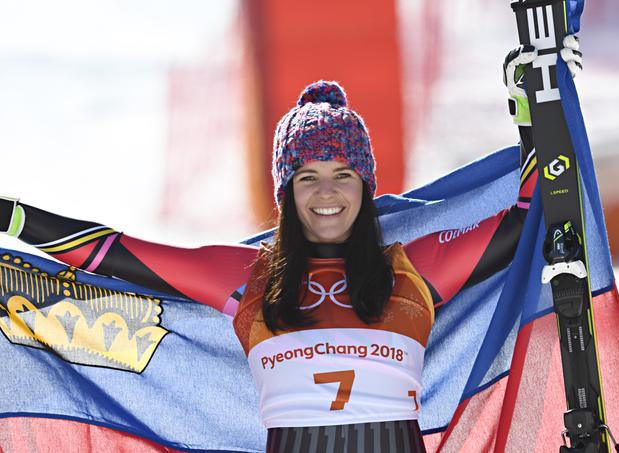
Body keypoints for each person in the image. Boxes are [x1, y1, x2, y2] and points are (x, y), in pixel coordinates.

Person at [0, 41, 581, 452]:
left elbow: (532, 213)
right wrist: (12, 217)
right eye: (307, 178)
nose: (327, 194)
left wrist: (542, 106)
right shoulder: (247, 276)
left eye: (343, 176)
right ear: (285, 192)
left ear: (365, 187)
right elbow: (111, 252)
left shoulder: (411, 270)